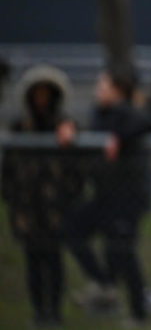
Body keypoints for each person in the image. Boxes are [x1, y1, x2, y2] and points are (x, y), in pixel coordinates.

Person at [64, 63, 151, 326]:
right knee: (72, 229)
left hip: (127, 197)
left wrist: (118, 137)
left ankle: (139, 311)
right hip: (104, 195)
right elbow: (94, 137)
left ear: (117, 90)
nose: (98, 89)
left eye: (103, 85)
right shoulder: (101, 114)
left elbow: (147, 122)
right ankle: (105, 284)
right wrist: (71, 128)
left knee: (123, 252)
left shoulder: (127, 112)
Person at [1, 64, 83, 327]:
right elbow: (9, 168)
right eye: (37, 94)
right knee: (33, 260)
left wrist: (70, 193)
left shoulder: (65, 126)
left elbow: (76, 168)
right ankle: (39, 312)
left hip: (56, 207)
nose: (42, 99)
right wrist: (11, 195)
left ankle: (55, 312)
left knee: (54, 259)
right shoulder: (20, 127)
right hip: (27, 206)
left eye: (46, 94)